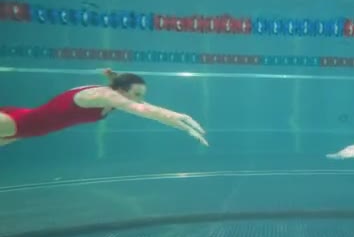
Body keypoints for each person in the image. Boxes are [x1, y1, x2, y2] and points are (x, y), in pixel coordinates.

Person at [0, 69, 207, 146]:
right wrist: (183, 117)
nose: (139, 100)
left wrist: (184, 125)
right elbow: (145, 111)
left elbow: (153, 110)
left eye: (141, 96)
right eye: (136, 95)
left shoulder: (117, 96)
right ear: (122, 90)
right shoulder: (104, 95)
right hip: (17, 122)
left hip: (23, 129)